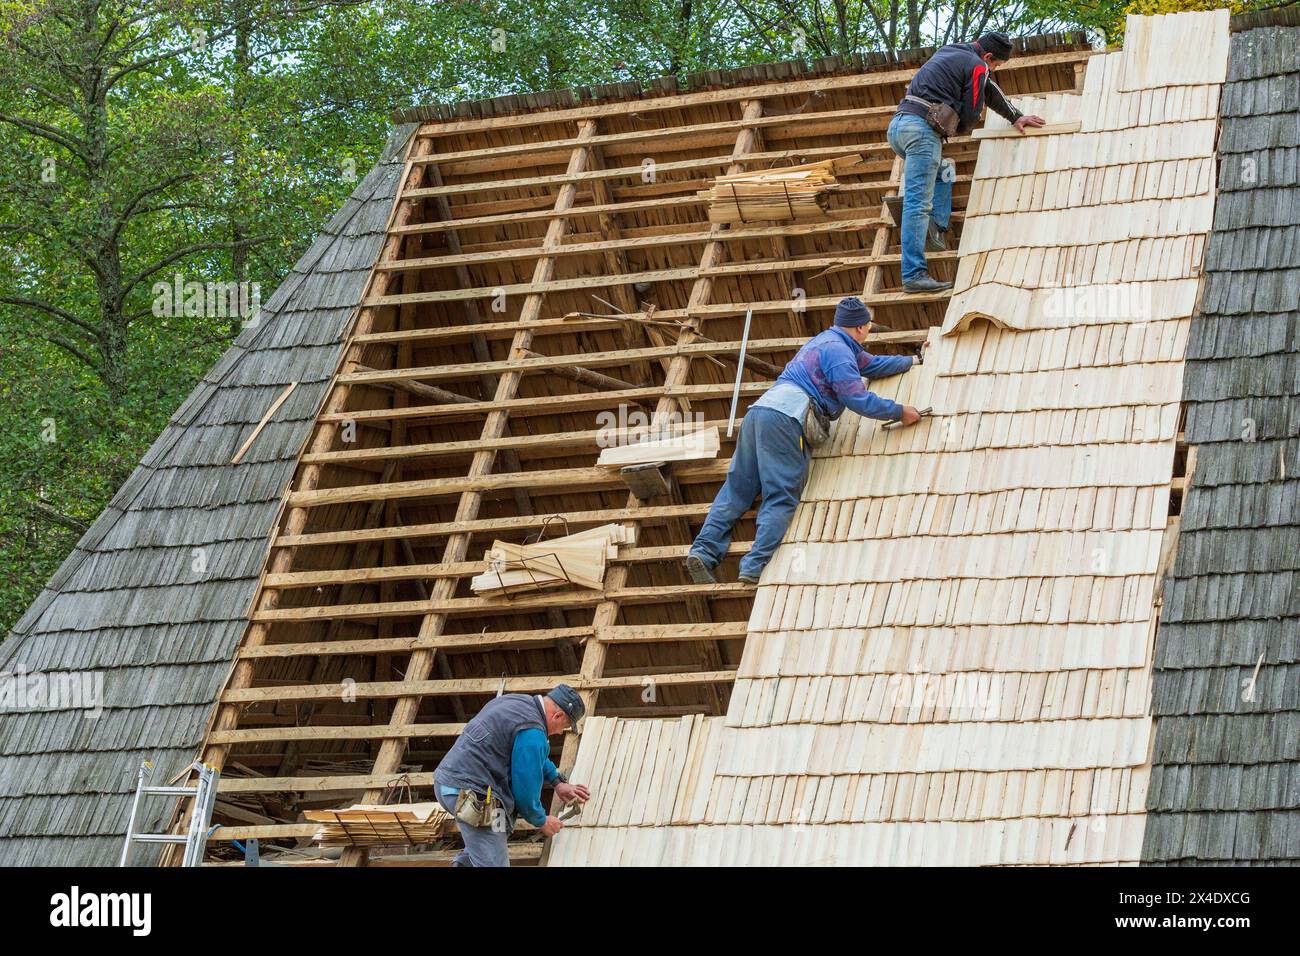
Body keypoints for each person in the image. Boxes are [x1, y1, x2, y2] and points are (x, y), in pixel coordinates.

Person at [685, 297, 922, 586]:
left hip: (759, 412)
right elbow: (856, 398)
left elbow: (872, 365)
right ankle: (754, 564)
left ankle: (703, 551)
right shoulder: (839, 353)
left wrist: (913, 360)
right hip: (787, 420)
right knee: (781, 493)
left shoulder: (826, 342)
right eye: (869, 327)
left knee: (737, 488)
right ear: (860, 328)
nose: (869, 331)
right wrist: (899, 411)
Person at [889, 30, 1046, 292]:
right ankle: (913, 275)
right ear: (987, 56)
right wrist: (962, 129)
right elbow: (973, 110)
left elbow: (988, 89)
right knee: (917, 204)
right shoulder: (977, 65)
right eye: (994, 65)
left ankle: (936, 227)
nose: (991, 70)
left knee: (944, 170)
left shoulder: (951, 51)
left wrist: (1014, 115)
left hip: (898, 128)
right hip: (922, 134)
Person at [433, 683, 591, 866]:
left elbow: (532, 755)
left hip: (449, 785)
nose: (557, 733)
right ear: (558, 715)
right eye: (562, 727)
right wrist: (541, 820)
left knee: (491, 842)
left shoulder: (515, 702)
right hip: (474, 797)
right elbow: (525, 790)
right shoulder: (533, 732)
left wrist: (556, 781)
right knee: (494, 861)